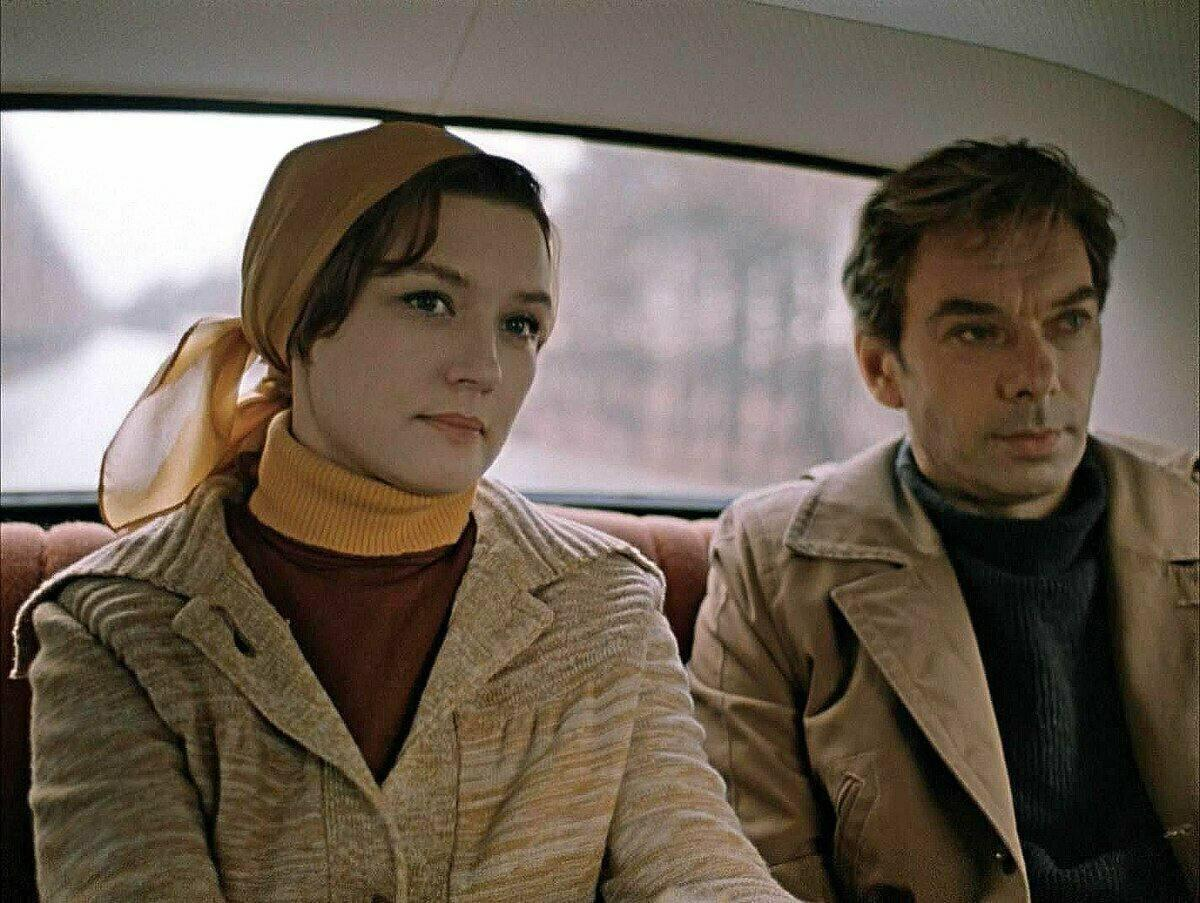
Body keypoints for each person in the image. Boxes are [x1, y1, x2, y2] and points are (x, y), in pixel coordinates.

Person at [12, 121, 794, 901]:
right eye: (429, 301)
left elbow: (699, 866)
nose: (484, 369)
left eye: (520, 324)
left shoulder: (604, 601)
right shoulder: (117, 627)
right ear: (302, 319)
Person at [688, 139, 1198, 901]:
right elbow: (748, 872)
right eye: (977, 332)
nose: (1038, 377)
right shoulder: (776, 561)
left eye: (1069, 320)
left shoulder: (1190, 513)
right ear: (881, 368)